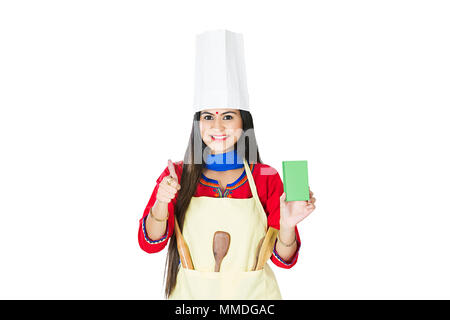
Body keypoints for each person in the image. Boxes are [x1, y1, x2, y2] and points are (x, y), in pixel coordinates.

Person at [138, 30, 316, 299]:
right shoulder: (177, 174)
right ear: (198, 123)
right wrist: (162, 202)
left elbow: (284, 260)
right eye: (208, 116)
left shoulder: (266, 177)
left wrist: (288, 224)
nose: (217, 126)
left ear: (243, 122)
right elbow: (150, 244)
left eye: (228, 116)